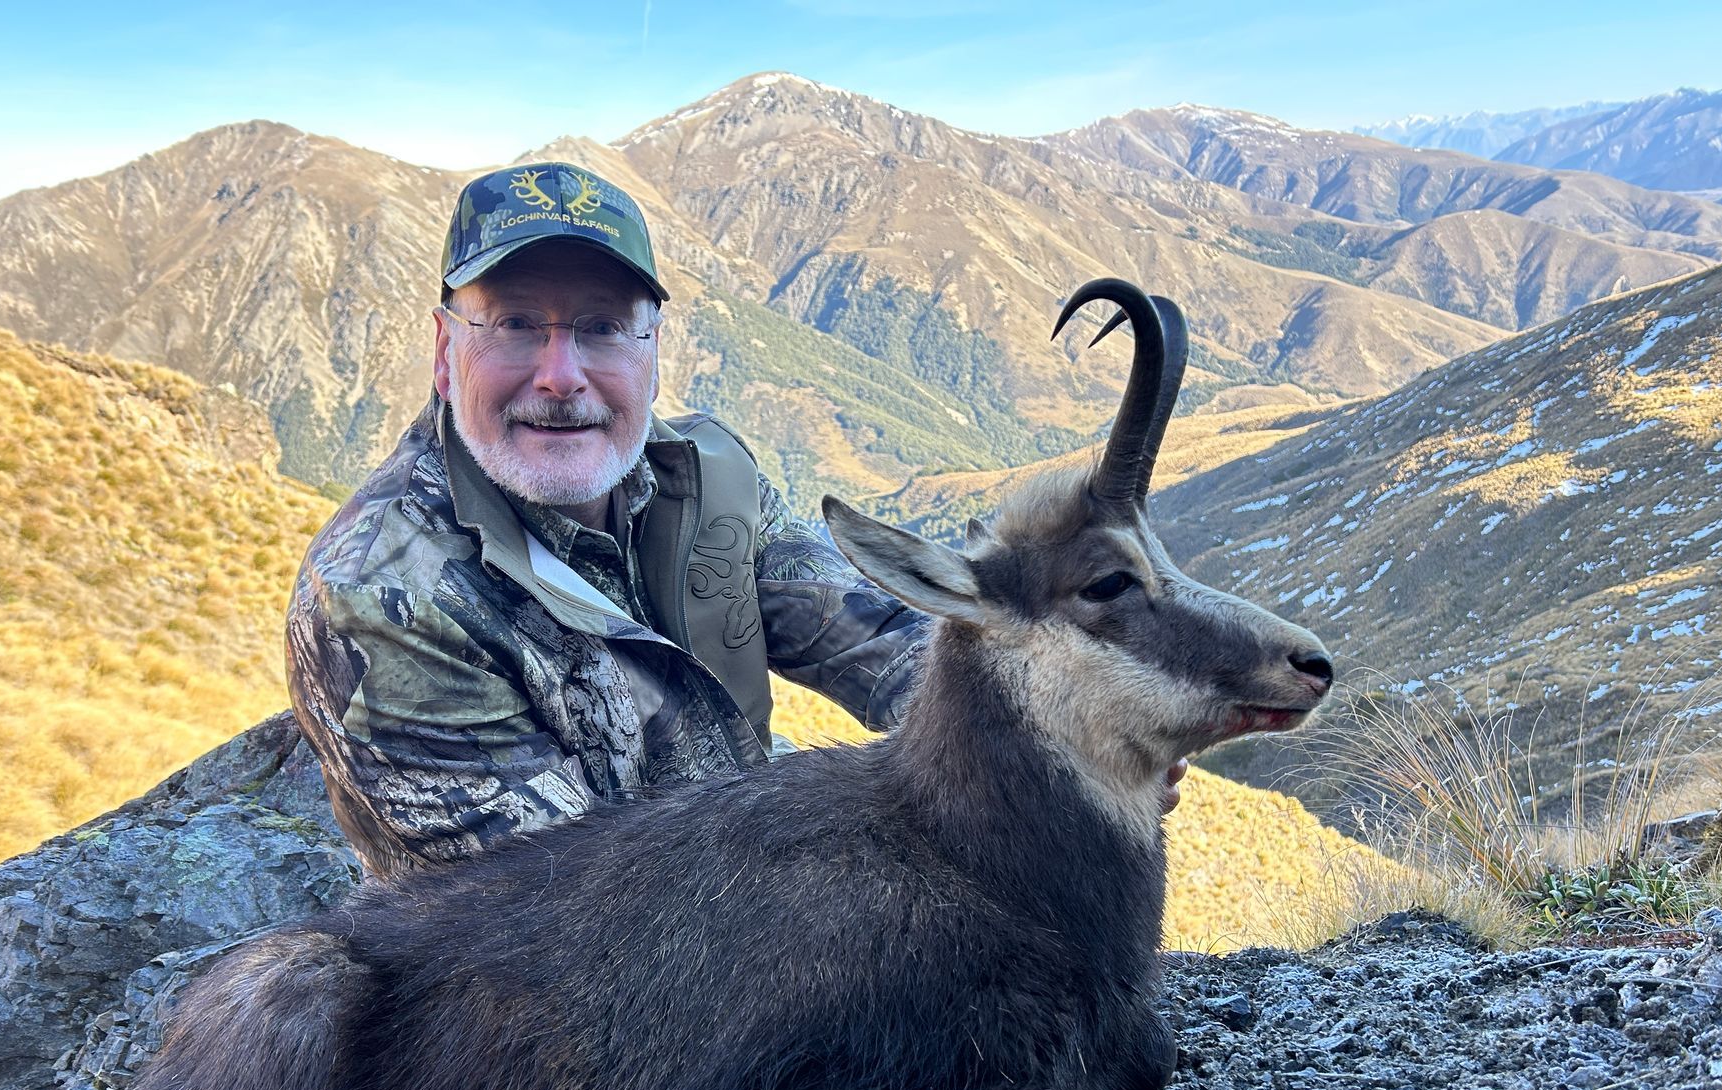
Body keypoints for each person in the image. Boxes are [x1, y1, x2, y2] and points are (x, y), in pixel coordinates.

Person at [288, 161, 1184, 877]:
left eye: (601, 328)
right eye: (517, 325)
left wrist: (1064, 720)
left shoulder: (708, 476)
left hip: (744, 898)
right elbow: (562, 910)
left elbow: (880, 642)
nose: (561, 376)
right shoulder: (382, 593)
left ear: (651, 351)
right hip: (556, 1024)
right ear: (447, 352)